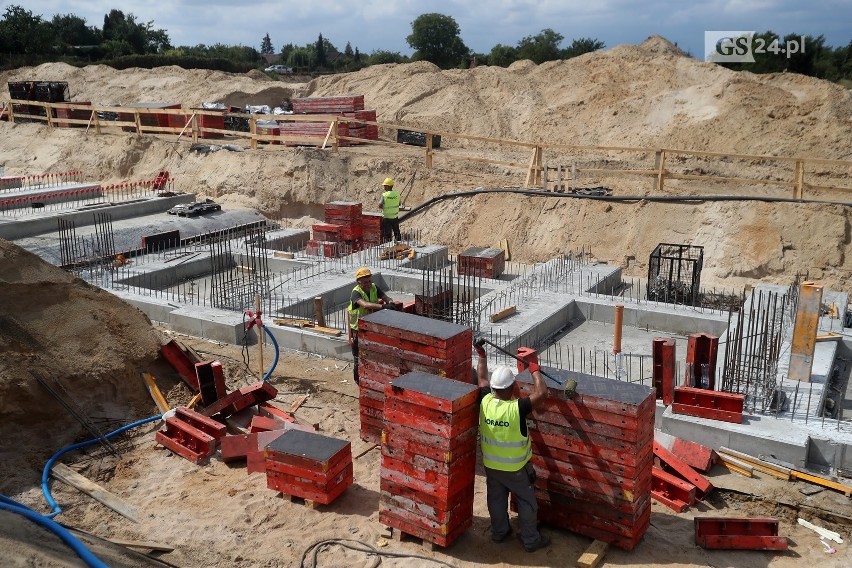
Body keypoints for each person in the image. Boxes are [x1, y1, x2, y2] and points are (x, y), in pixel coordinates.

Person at [475, 341, 551, 553]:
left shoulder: (485, 401)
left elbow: (481, 378)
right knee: (527, 504)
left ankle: (500, 533)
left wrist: (481, 355)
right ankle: (530, 540)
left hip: (491, 466)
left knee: (496, 500)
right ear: (511, 387)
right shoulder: (516, 408)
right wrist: (534, 369)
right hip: (516, 469)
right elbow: (542, 393)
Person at [347, 267, 396, 385]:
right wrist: (383, 307)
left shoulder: (374, 287)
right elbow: (364, 305)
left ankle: (370, 378)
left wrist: (390, 302)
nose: (368, 284)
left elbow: (385, 297)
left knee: (372, 354)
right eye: (365, 282)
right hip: (358, 330)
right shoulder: (356, 292)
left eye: (369, 281)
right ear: (359, 282)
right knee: (359, 357)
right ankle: (358, 380)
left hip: (370, 327)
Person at [378, 177, 401, 242]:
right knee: (397, 232)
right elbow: (399, 204)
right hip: (395, 217)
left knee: (388, 234)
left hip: (386, 218)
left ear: (388, 186)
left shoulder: (384, 195)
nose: (384, 187)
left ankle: (389, 246)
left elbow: (379, 205)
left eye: (385, 186)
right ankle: (399, 245)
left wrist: (385, 207)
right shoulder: (397, 194)